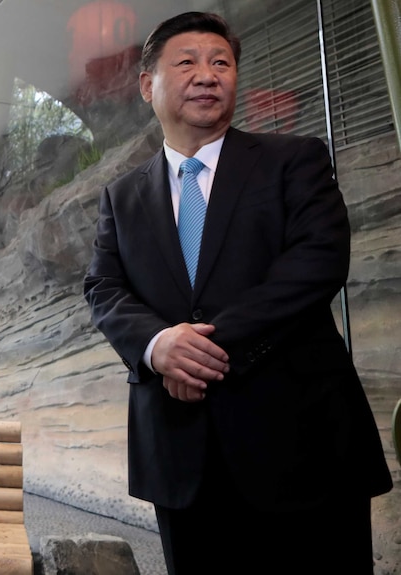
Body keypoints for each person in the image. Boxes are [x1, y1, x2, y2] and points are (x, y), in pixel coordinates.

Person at [83, 12, 392, 575]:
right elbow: (104, 287)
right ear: (147, 85)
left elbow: (318, 263)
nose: (208, 74)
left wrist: (196, 350)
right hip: (180, 457)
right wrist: (156, 346)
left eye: (221, 62)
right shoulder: (121, 196)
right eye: (188, 62)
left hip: (303, 445)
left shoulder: (293, 160)